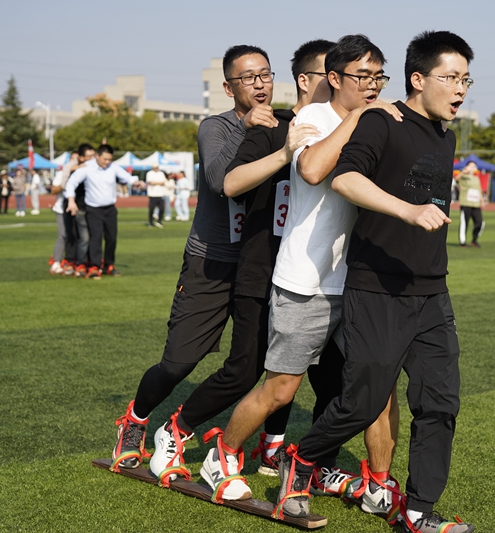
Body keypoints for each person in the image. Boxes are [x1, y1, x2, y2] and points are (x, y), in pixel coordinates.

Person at [273, 30, 476, 533]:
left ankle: (418, 511)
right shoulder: (382, 121)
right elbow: (344, 178)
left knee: (439, 403)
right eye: (450, 77)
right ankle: (302, 462)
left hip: (432, 290)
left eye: (466, 80)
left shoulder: (446, 135)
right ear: (418, 79)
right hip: (377, 287)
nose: (460, 89)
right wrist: (408, 210)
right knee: (362, 402)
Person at [194, 36, 403, 516]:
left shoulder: (377, 120)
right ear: (335, 79)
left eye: (379, 77)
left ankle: (379, 484)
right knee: (280, 389)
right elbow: (311, 170)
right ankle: (222, 454)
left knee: (378, 387)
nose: (373, 86)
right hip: (306, 280)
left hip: (359, 280)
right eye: (363, 77)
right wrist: (356, 119)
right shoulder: (311, 119)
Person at [109, 44, 283, 475]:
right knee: (178, 363)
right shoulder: (216, 127)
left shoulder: (285, 126)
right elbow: (219, 179)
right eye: (248, 78)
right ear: (228, 87)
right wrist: (247, 127)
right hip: (212, 263)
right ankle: (136, 419)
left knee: (270, 362)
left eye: (265, 74)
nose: (259, 84)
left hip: (261, 264)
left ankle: (271, 444)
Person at [64, 144, 140, 279]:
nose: (107, 162)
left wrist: (135, 182)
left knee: (111, 238)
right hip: (94, 209)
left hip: (110, 209)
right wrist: (71, 200)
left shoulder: (113, 167)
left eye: (110, 159)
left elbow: (127, 177)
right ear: (97, 156)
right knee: (96, 238)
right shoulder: (87, 167)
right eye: (105, 159)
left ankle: (109, 264)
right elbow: (72, 183)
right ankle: (94, 266)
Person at [62, 145, 95, 277]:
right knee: (73, 234)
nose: (92, 159)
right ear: (81, 158)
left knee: (89, 236)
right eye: (89, 156)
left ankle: (86, 261)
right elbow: (67, 181)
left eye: (93, 156)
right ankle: (70, 261)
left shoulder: (94, 168)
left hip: (88, 206)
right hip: (73, 205)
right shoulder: (74, 167)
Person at [457, 161, 484, 247]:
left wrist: (482, 200)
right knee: (464, 223)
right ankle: (462, 242)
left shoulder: (476, 178)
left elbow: (479, 190)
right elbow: (456, 179)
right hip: (466, 203)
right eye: (471, 166)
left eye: (474, 166)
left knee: (480, 223)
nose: (472, 168)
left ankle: (474, 239)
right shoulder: (463, 177)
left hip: (476, 204)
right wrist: (463, 172)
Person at [145, 163, 167, 228]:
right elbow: (151, 182)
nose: (156, 168)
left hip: (160, 194)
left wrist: (155, 183)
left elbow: (163, 182)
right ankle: (150, 222)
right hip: (152, 194)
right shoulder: (149, 173)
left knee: (162, 208)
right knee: (151, 209)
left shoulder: (161, 173)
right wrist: (158, 183)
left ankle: (159, 221)